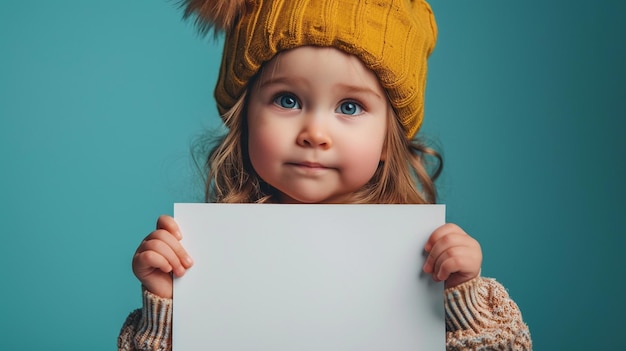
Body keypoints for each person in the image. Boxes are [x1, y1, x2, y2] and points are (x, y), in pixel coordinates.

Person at [118, 0, 532, 350]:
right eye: (287, 99)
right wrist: (165, 313)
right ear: (243, 119)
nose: (315, 134)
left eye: (349, 107)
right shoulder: (202, 258)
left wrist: (462, 305)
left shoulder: (427, 261)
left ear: (389, 139)